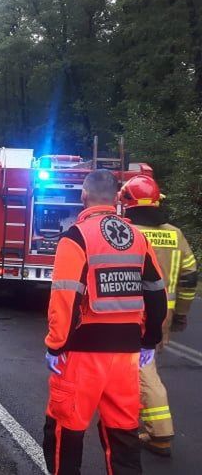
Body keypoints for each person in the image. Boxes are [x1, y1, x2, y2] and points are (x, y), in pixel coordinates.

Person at [43, 170, 167, 475]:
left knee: (65, 429)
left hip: (83, 355)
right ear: (116, 198)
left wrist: (56, 345)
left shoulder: (76, 236)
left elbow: (65, 297)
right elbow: (155, 291)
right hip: (126, 357)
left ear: (83, 196)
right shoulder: (137, 237)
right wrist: (148, 340)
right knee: (123, 433)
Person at [119, 175, 198, 457]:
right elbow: (189, 277)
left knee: (144, 372)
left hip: (131, 316)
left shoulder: (124, 232)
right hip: (163, 315)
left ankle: (160, 433)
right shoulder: (175, 235)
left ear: (126, 202)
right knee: (138, 368)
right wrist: (181, 315)